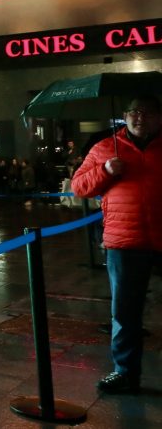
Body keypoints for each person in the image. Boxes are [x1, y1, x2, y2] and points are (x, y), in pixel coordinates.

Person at [73, 94, 162, 395]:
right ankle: (125, 372)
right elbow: (79, 187)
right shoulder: (104, 149)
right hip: (125, 241)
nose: (140, 118)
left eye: (148, 112)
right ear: (124, 116)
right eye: (134, 112)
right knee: (125, 313)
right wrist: (105, 171)